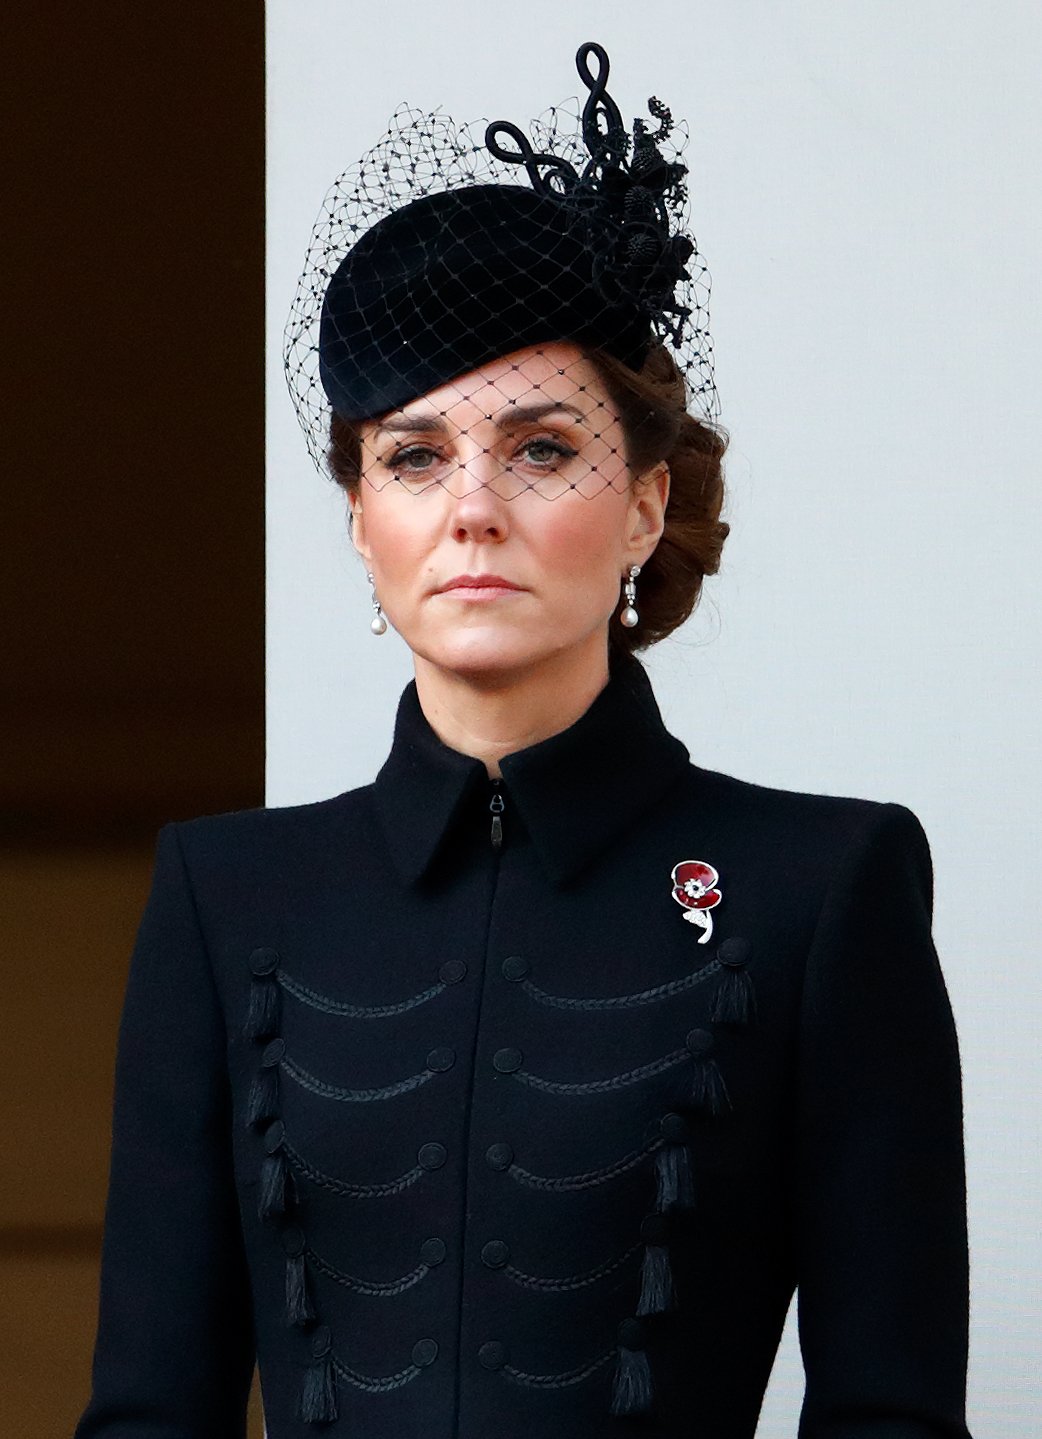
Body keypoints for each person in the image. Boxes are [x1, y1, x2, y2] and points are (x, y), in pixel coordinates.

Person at [73, 41, 972, 1439]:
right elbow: (148, 1411)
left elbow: (890, 1412)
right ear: (361, 518)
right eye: (413, 457)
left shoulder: (822, 885)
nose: (471, 508)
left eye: (543, 449)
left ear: (643, 506)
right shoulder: (220, 897)